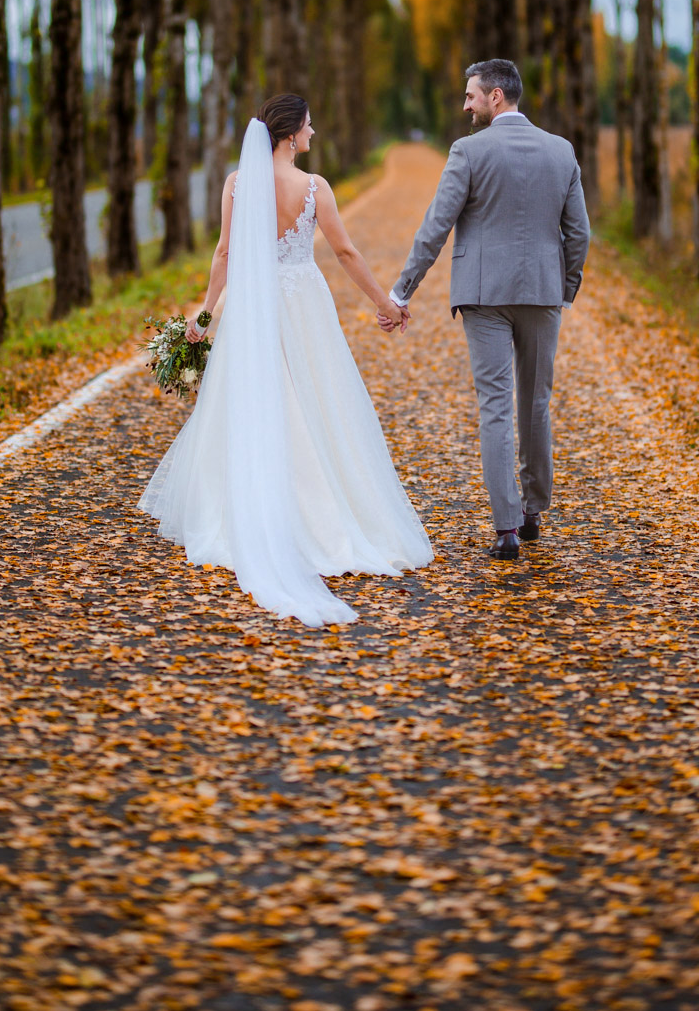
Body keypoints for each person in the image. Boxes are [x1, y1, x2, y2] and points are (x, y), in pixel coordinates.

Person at [138, 94, 433, 625]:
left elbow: (225, 253)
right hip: (302, 303)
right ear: (292, 133)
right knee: (314, 399)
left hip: (253, 302)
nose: (313, 132)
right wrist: (384, 304)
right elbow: (345, 252)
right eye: (309, 125)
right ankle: (318, 517)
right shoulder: (315, 187)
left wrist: (205, 315)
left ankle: (248, 510)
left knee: (256, 401)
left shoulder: (237, 183)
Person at [383, 59, 590, 561]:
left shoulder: (468, 151)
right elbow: (579, 233)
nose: (465, 105)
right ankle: (533, 511)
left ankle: (507, 529)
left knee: (496, 405)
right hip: (542, 294)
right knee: (536, 402)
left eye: (471, 95)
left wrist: (402, 291)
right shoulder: (561, 151)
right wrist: (563, 289)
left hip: (483, 295)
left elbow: (436, 226)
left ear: (496, 96)